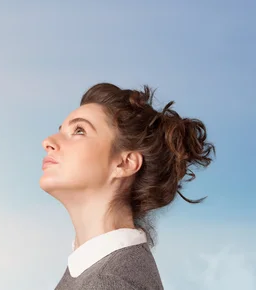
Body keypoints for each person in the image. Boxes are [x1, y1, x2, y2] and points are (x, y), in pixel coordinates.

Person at [40, 83, 215, 290]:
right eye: (61, 130)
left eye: (79, 130)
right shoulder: (92, 271)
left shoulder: (111, 282)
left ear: (125, 163)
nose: (48, 142)